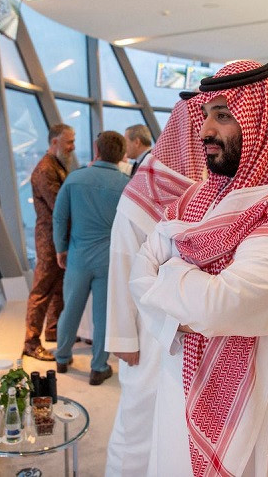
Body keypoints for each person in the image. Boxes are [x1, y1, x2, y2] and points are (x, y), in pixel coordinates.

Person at [130, 61, 268, 476]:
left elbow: (219, 305)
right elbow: (141, 269)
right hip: (183, 389)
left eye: (223, 115)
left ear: (262, 122)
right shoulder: (201, 198)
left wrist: (168, 276)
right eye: (206, 115)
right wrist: (185, 296)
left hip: (266, 417)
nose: (205, 130)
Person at [104, 92, 205, 475]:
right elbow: (121, 264)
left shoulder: (210, 190)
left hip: (190, 331)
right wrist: (123, 339)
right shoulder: (141, 194)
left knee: (176, 426)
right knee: (137, 420)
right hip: (146, 334)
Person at [51, 131, 129, 384]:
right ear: (121, 155)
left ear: (96, 150)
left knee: (70, 308)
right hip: (109, 258)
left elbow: (60, 217)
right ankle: (98, 367)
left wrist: (60, 248)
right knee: (103, 314)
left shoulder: (75, 179)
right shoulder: (127, 184)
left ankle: (62, 359)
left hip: (78, 254)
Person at [22, 124, 75, 361]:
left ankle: (53, 331)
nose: (72, 147)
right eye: (68, 143)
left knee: (58, 287)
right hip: (48, 239)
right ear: (54, 142)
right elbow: (59, 205)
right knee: (42, 290)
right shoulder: (45, 170)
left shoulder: (58, 164)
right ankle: (31, 343)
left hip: (58, 236)